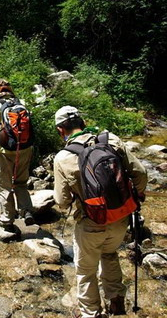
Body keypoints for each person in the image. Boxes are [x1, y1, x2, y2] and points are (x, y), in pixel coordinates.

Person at [53, 106, 147, 318]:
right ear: (83, 121)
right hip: (120, 217)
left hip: (91, 221)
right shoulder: (110, 139)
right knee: (109, 254)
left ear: (61, 130)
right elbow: (140, 173)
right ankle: (116, 302)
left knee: (86, 272)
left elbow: (62, 201)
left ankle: (92, 313)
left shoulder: (63, 157)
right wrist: (137, 196)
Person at [0, 79, 35, 232]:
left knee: (5, 186)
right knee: (21, 183)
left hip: (5, 152)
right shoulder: (22, 102)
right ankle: (26, 211)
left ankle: (7, 219)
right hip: (25, 149)